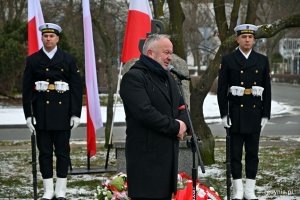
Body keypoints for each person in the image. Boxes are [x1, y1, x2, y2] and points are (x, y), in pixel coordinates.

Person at [120, 34, 190, 200]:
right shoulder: (134, 78)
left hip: (168, 159)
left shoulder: (170, 79)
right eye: (166, 52)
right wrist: (176, 127)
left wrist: (184, 124)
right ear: (150, 53)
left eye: (171, 53)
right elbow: (145, 112)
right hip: (146, 161)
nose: (170, 57)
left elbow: (183, 108)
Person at [22, 23, 83, 200]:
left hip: (63, 113)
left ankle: (61, 189)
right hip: (41, 113)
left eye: (52, 36)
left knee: (63, 152)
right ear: (42, 37)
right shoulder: (33, 60)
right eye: (45, 36)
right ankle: (48, 189)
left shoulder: (68, 59)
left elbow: (77, 88)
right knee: (45, 153)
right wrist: (28, 115)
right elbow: (26, 90)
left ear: (58, 38)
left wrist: (75, 113)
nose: (48, 39)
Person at [217, 24, 271, 200]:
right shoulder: (228, 60)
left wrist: (265, 115)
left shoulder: (262, 60)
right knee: (235, 154)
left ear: (254, 39)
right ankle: (238, 189)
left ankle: (250, 189)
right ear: (237, 39)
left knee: (253, 154)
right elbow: (221, 90)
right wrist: (224, 114)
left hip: (255, 113)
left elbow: (267, 90)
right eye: (243, 37)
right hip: (236, 114)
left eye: (250, 37)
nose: (247, 40)